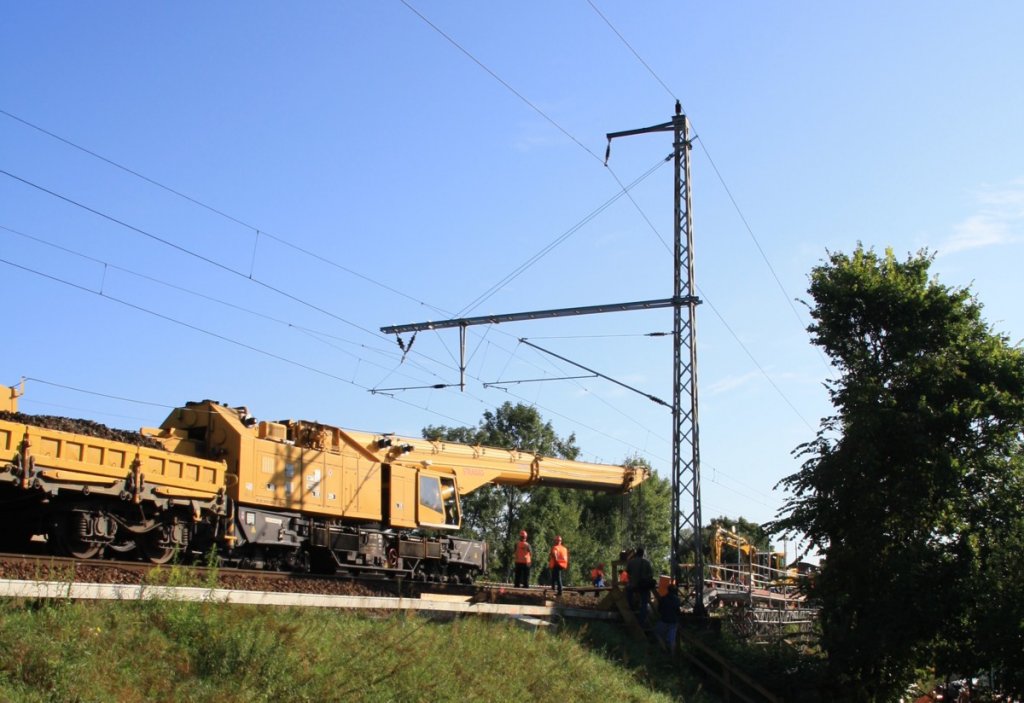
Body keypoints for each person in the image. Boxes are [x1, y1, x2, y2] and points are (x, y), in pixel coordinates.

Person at [625, 546, 655, 624]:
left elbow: (627, 573)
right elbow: (651, 575)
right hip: (643, 586)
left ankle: (630, 608)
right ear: (642, 554)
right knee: (644, 603)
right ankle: (642, 621)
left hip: (633, 585)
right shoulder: (647, 562)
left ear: (636, 554)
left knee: (628, 593)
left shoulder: (631, 562)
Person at [655, 585, 681, 653]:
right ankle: (672, 656)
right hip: (674, 621)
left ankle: (664, 650)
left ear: (668, 590)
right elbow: (678, 611)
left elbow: (659, 610)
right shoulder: (677, 600)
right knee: (672, 639)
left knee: (658, 633)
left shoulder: (663, 599)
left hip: (664, 620)